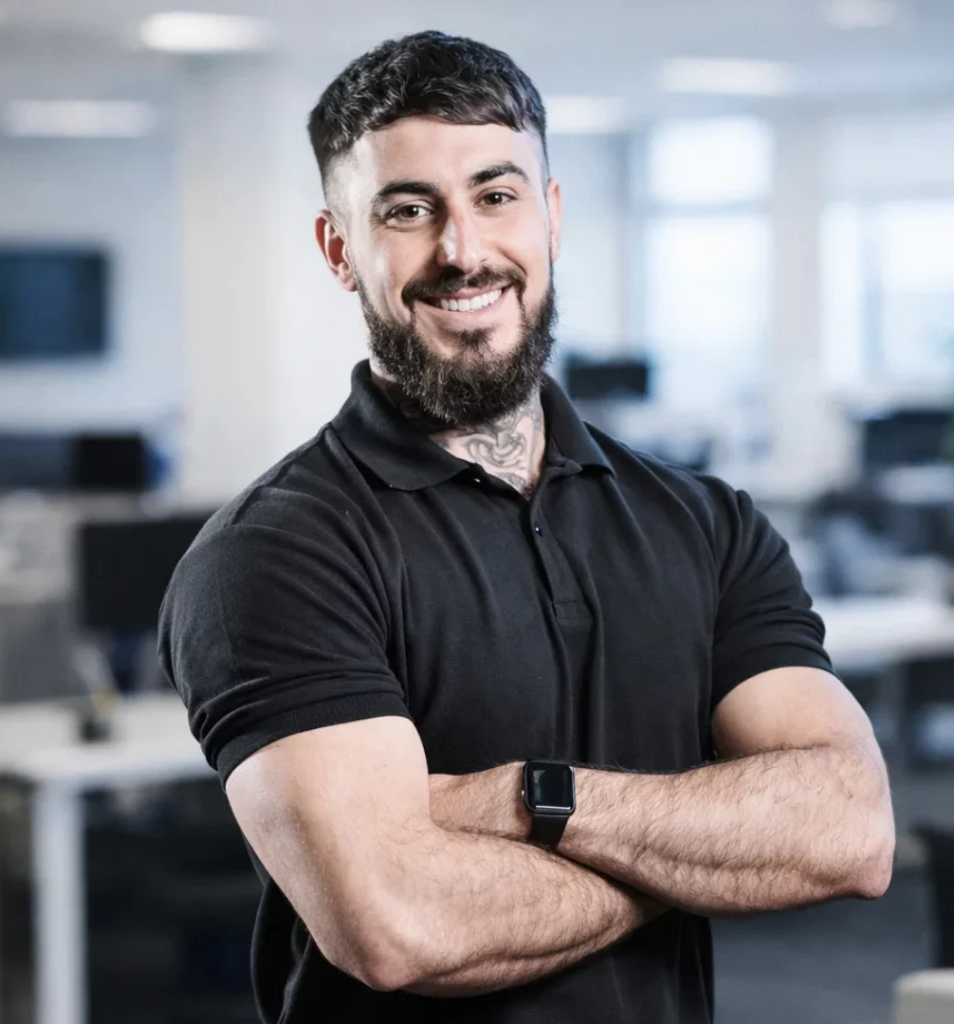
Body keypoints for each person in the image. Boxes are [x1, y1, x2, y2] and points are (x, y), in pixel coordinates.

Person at [157, 30, 895, 1024]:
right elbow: (397, 925)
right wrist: (710, 850)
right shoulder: (276, 553)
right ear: (340, 251)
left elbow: (848, 828)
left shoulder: (704, 524)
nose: (463, 250)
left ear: (549, 219)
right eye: (409, 210)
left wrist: (521, 798)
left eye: (496, 196)